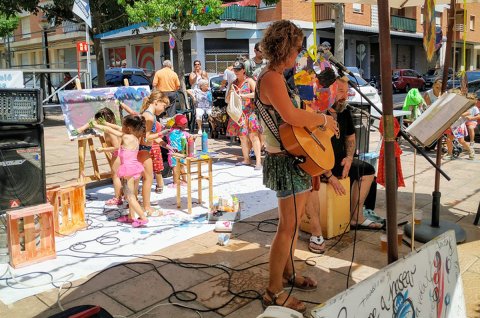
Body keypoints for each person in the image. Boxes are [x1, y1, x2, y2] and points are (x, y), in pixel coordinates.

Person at [256, 20, 338, 313]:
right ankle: (273, 291)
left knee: (290, 226)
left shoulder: (278, 76)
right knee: (287, 228)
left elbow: (294, 116)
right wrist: (323, 120)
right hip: (285, 163)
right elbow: (290, 116)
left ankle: (288, 273)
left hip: (293, 160)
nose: (299, 53)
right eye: (296, 48)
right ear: (284, 48)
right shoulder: (271, 78)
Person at [92, 115, 148, 227]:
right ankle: (131, 217)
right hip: (135, 169)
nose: (120, 127)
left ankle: (143, 218)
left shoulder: (126, 137)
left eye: (123, 125)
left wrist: (95, 125)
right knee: (132, 195)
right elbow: (117, 129)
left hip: (128, 171)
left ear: (128, 128)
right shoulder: (134, 137)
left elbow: (111, 130)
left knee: (129, 196)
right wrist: (106, 124)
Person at [74, 108, 123, 206]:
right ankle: (124, 194)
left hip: (117, 155)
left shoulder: (110, 132)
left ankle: (118, 198)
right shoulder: (113, 127)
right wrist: (83, 127)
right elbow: (85, 127)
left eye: (97, 120)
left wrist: (103, 150)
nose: (95, 123)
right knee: (121, 176)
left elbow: (117, 147)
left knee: (116, 176)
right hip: (122, 154)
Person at [138, 90, 171, 215]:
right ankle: (146, 207)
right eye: (163, 106)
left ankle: (141, 204)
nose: (163, 110)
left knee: (144, 178)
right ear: (156, 102)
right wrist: (162, 133)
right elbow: (145, 137)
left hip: (143, 149)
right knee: (148, 179)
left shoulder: (150, 115)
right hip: (143, 149)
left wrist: (165, 145)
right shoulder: (150, 116)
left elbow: (151, 137)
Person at [226, 61, 262, 170]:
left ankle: (258, 162)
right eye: (234, 70)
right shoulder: (233, 83)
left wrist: (243, 95)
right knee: (242, 137)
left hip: (249, 112)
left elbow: (257, 93)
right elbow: (227, 100)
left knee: (253, 136)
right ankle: (246, 159)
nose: (236, 72)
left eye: (238, 70)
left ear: (243, 70)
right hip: (239, 114)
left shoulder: (249, 81)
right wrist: (231, 93)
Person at [166, 114, 190, 187]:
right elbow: (190, 137)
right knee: (182, 167)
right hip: (182, 153)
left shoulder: (169, 132)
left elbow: (167, 125)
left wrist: (173, 119)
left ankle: (175, 183)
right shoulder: (184, 133)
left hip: (173, 153)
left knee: (175, 168)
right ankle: (185, 181)